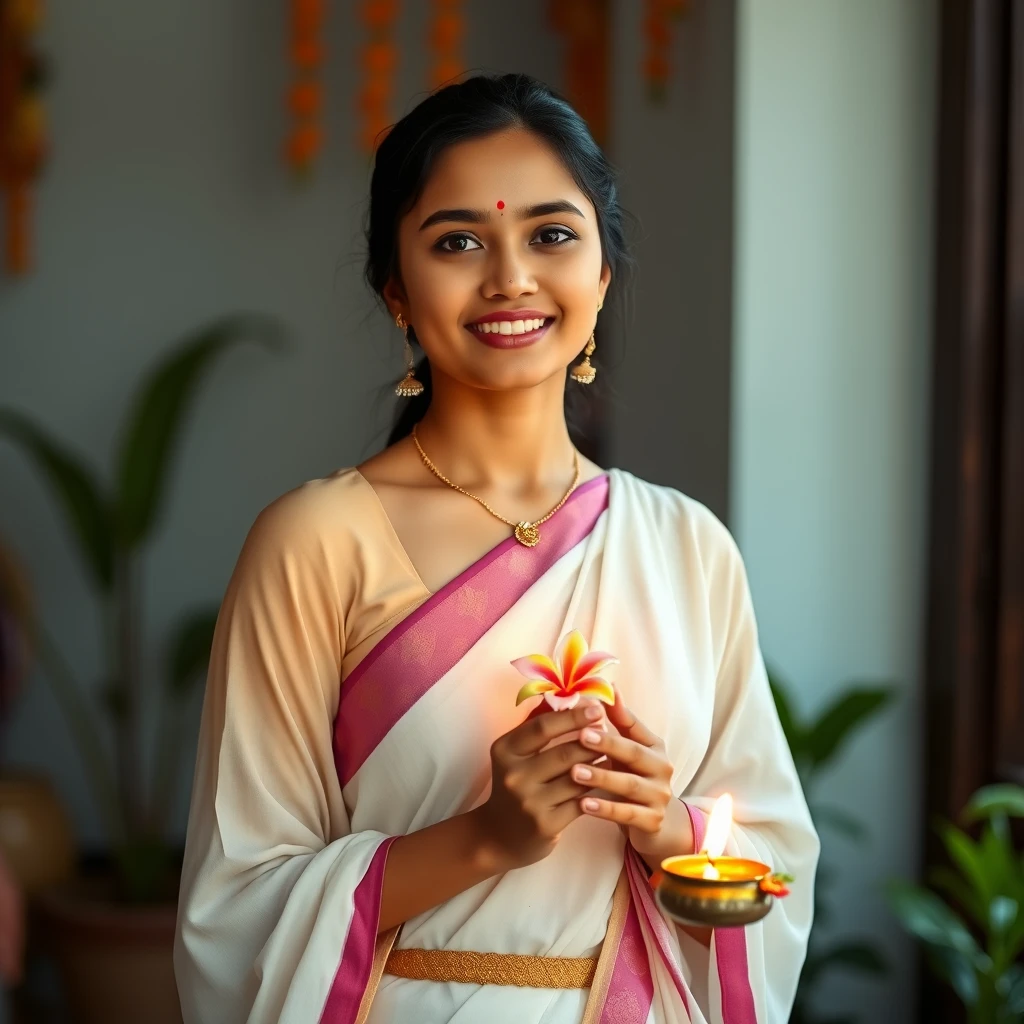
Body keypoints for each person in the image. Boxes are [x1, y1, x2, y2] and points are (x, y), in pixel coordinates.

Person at [174, 73, 818, 1024]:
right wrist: (486, 837)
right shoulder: (315, 543)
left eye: (552, 234)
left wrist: (664, 823)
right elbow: (236, 910)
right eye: (458, 241)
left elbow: (768, 865)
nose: (510, 275)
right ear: (395, 287)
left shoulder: (686, 548)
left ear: (603, 273)